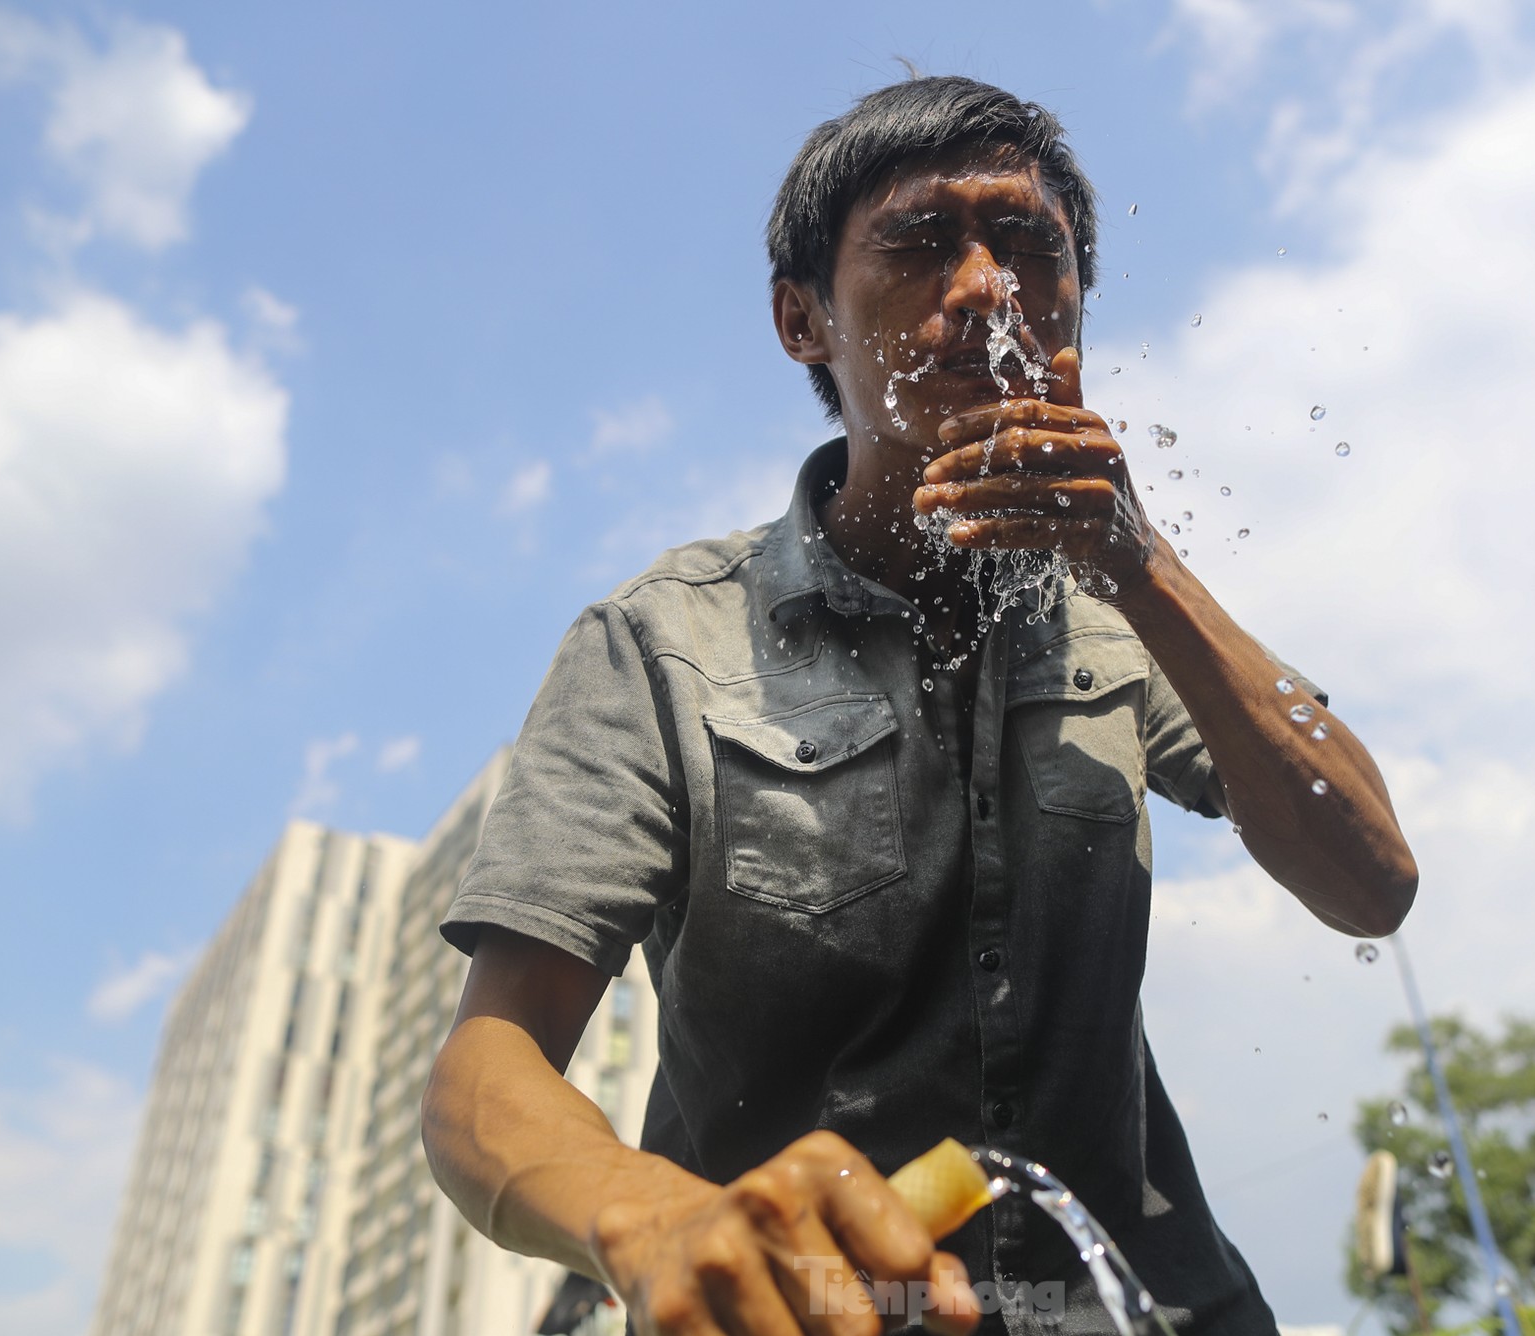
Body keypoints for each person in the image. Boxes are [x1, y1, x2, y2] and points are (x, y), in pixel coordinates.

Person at [422, 75, 1418, 1336]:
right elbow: (483, 1066)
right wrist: (652, 1215)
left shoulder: (1122, 612)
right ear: (801, 320)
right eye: (920, 242)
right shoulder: (664, 641)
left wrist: (1142, 562)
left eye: (1030, 249)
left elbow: (1369, 878)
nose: (989, 287)